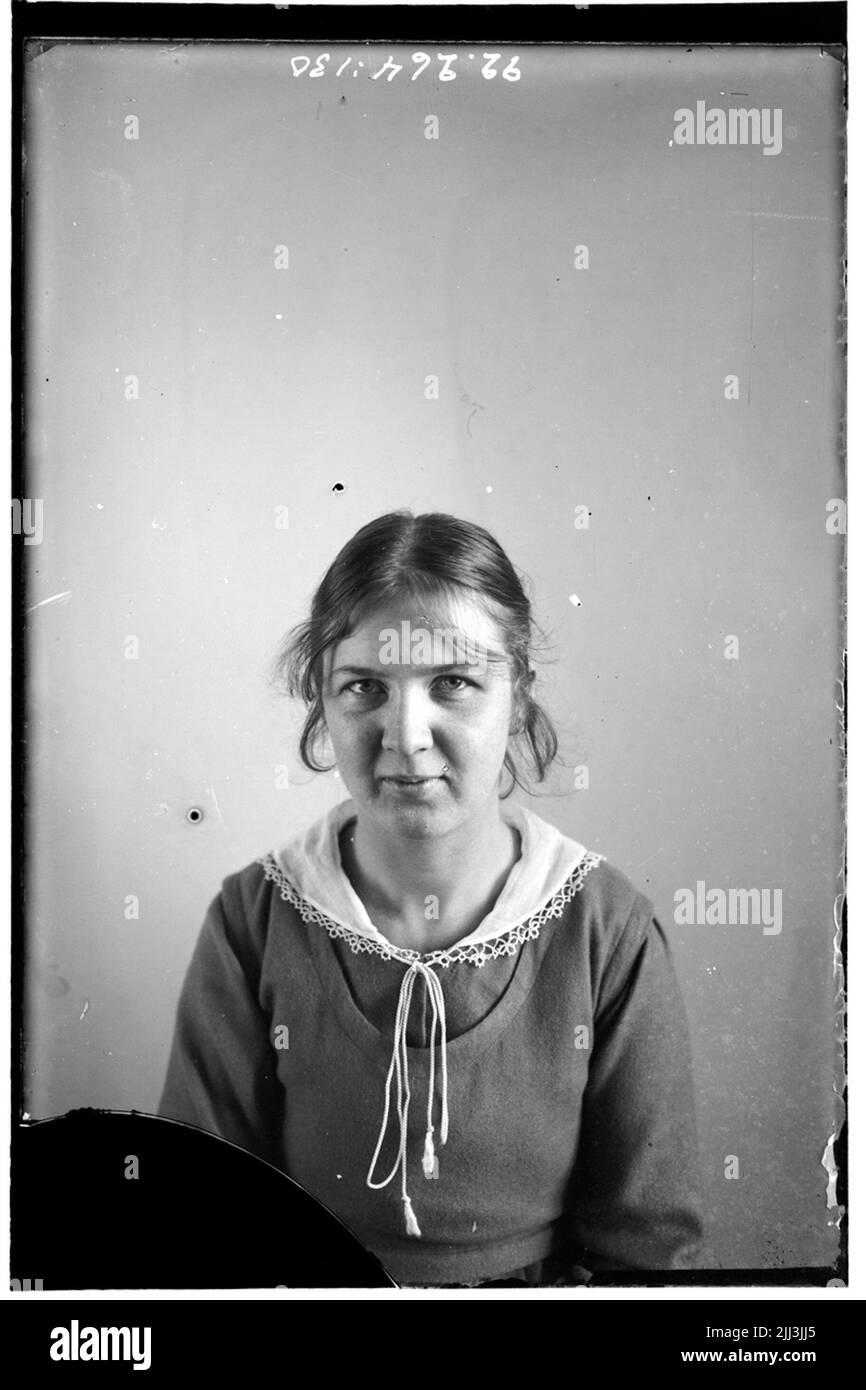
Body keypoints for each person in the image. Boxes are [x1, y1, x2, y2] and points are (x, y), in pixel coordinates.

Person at [159, 510, 705, 1286]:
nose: (406, 735)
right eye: (365, 688)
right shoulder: (253, 923)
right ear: (323, 699)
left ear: (517, 696)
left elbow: (647, 1251)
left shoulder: (606, 933)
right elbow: (197, 1224)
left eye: (452, 683)